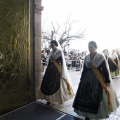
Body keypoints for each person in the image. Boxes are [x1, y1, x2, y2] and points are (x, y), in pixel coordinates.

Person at [73, 41, 119, 120]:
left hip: (98, 80)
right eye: (89, 47)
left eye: (91, 47)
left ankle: (96, 115)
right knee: (86, 96)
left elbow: (104, 69)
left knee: (96, 96)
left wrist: (107, 80)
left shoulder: (100, 57)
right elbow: (84, 69)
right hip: (86, 80)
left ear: (95, 47)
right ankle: (86, 114)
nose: (90, 48)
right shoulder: (87, 57)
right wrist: (81, 79)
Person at [39, 40, 74, 105]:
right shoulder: (51, 52)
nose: (52, 46)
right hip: (50, 70)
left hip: (57, 70)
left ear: (56, 45)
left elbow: (61, 62)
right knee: (49, 84)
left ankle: (61, 98)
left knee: (58, 84)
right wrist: (47, 69)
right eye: (51, 45)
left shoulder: (59, 52)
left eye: (53, 45)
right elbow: (49, 62)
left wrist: (60, 70)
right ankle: (49, 99)